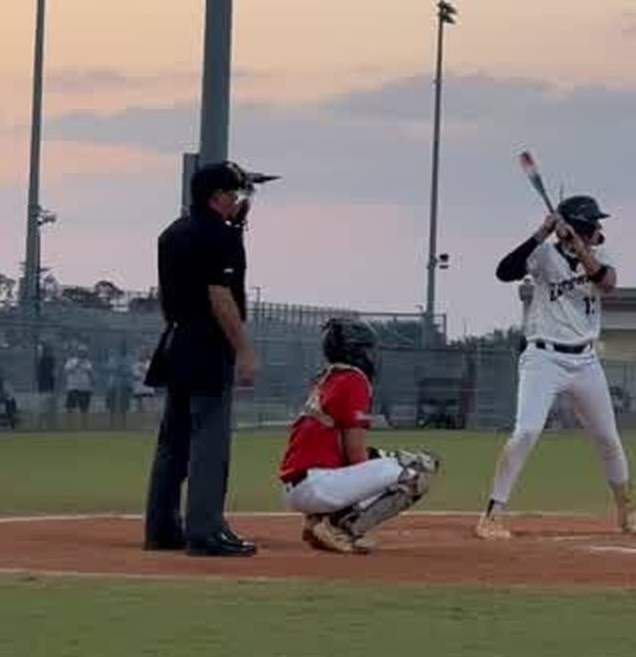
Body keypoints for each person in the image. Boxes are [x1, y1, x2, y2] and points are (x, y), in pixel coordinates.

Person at [474, 195, 636, 541]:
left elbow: (607, 283)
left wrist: (579, 245)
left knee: (607, 437)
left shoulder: (600, 254)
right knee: (527, 431)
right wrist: (541, 233)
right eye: (592, 224)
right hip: (544, 357)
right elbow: (504, 271)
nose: (599, 229)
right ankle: (492, 516)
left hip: (585, 360)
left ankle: (627, 512)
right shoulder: (544, 255)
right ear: (577, 226)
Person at [143, 160, 275, 558]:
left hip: (177, 338)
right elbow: (220, 297)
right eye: (233, 194)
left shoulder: (173, 232)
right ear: (217, 197)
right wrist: (245, 351)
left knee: (173, 442)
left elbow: (167, 297)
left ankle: (163, 528)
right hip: (207, 344)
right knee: (210, 441)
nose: (238, 200)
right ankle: (205, 531)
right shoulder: (221, 235)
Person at [279, 317, 440, 554]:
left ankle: (317, 521)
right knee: (415, 476)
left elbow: (343, 449)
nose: (371, 355)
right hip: (316, 485)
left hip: (298, 486)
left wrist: (385, 460)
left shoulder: (329, 378)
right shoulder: (355, 380)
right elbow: (355, 454)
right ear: (354, 351)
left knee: (390, 461)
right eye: (366, 349)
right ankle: (338, 528)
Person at [63, 345, 94, 425]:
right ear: (77, 352)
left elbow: (90, 374)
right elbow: (67, 371)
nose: (82, 354)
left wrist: (92, 384)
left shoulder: (88, 362)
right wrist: (77, 363)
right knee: (70, 408)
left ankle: (84, 425)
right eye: (80, 352)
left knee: (84, 409)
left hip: (85, 388)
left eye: (84, 352)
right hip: (73, 387)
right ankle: (69, 424)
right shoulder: (71, 361)